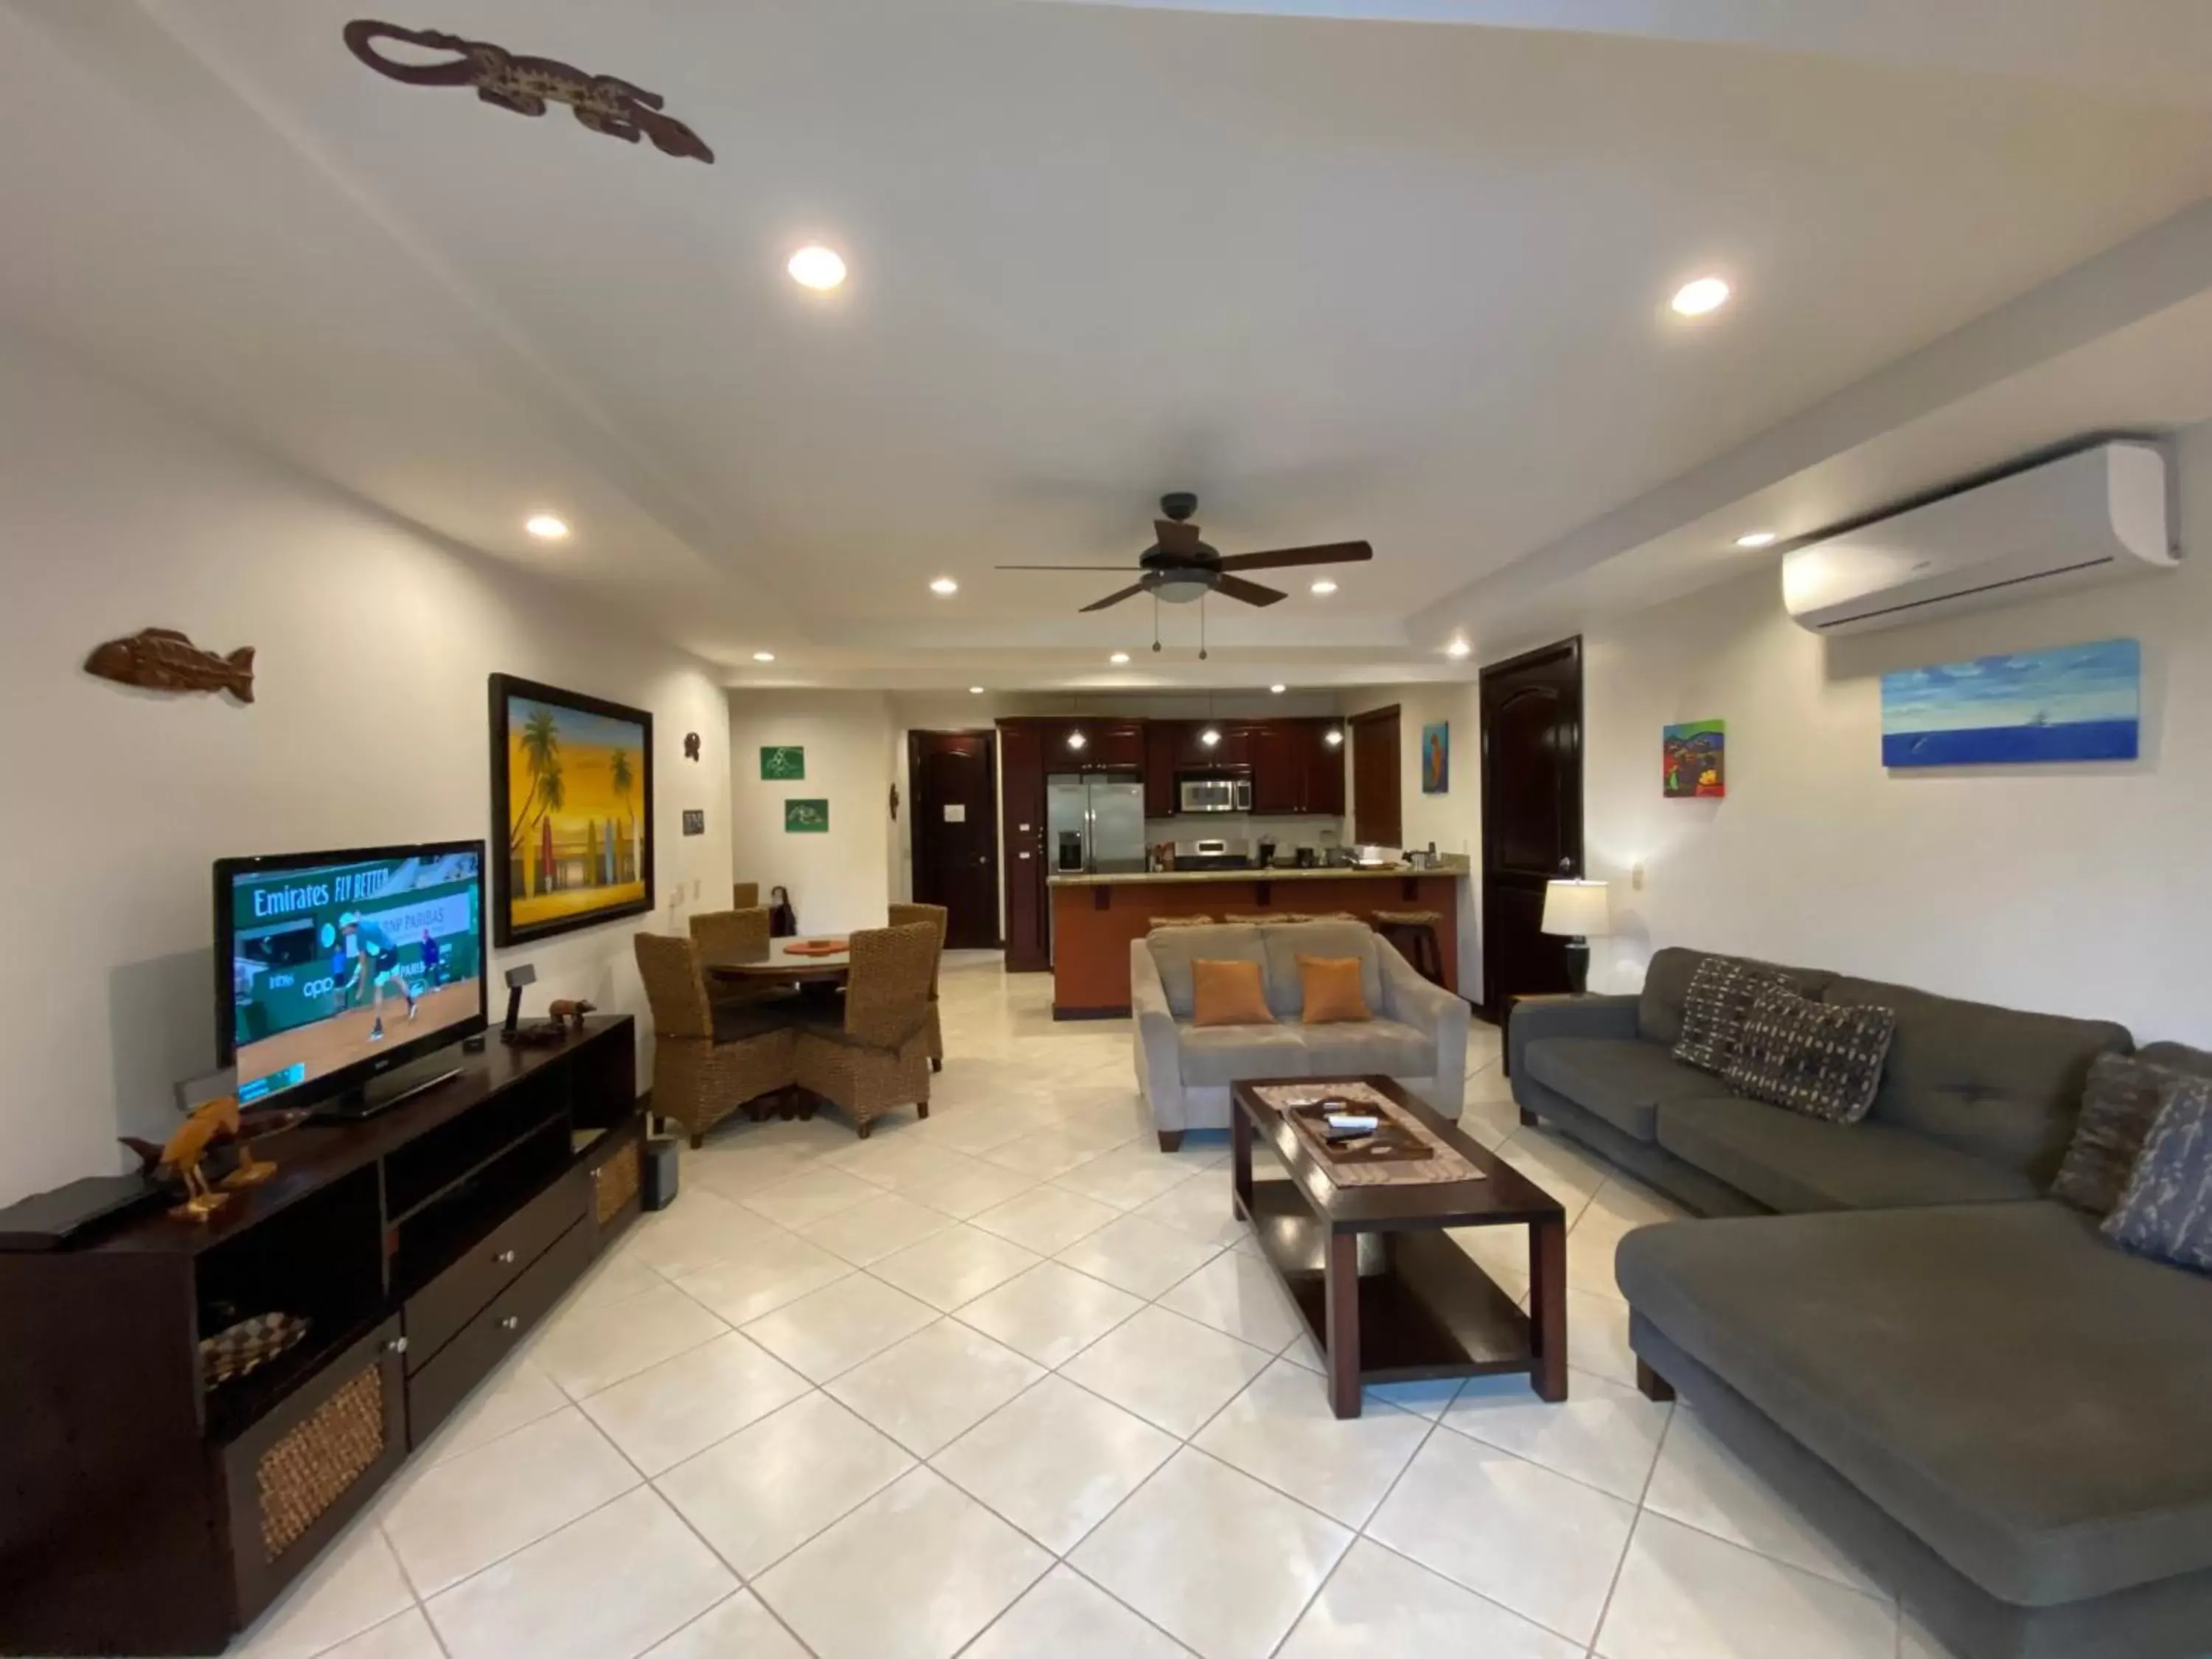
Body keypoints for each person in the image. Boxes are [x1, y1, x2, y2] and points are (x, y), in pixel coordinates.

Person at [339, 911, 419, 1040]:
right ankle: (411, 1004)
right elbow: (363, 918)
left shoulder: (360, 937)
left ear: (350, 926)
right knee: (397, 979)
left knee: (378, 987)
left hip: (384, 956)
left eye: (344, 929)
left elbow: (363, 964)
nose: (343, 932)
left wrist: (361, 988)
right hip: (393, 950)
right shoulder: (363, 922)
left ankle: (378, 1028)